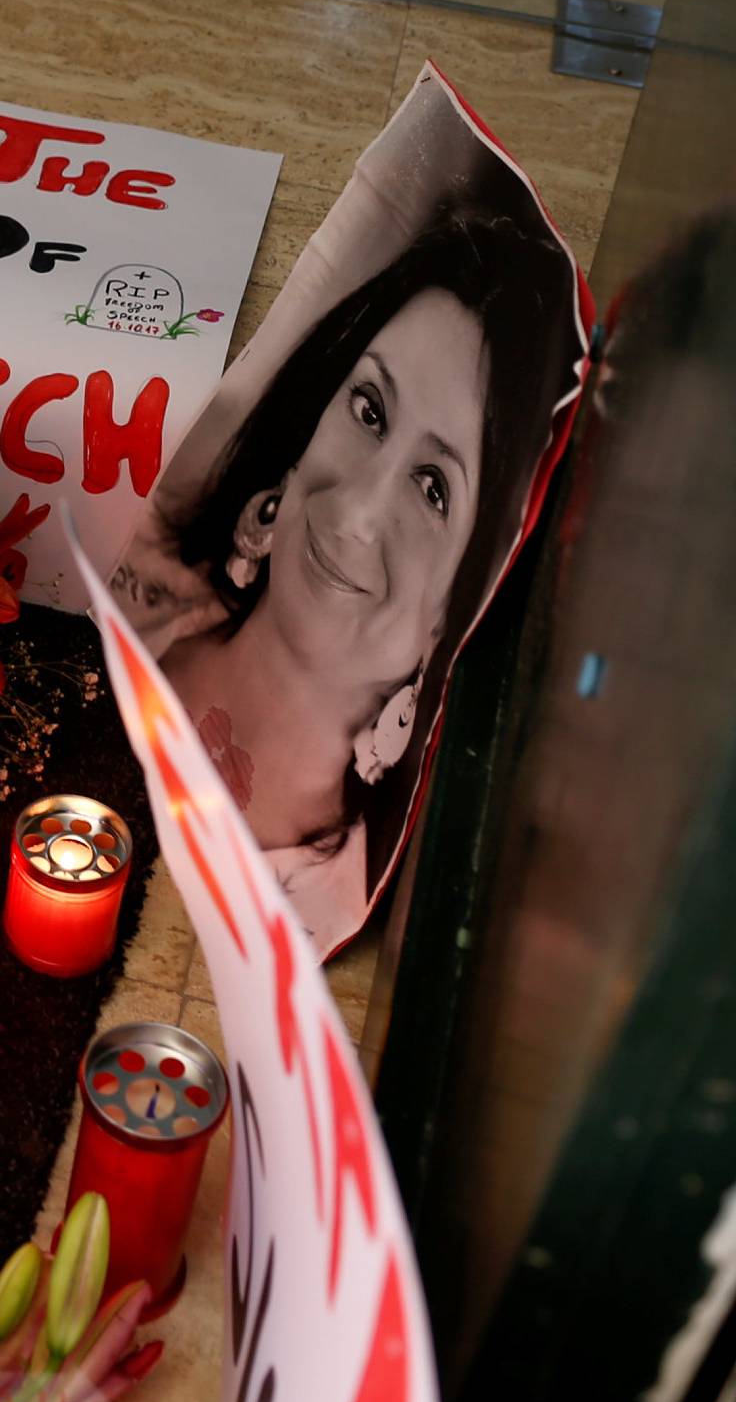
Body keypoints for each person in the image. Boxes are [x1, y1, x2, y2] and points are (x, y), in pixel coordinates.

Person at [112, 207, 576, 955]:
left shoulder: (321, 906)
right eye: (369, 409)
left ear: (469, 600)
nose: (356, 512)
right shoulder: (113, 610)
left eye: (433, 489)